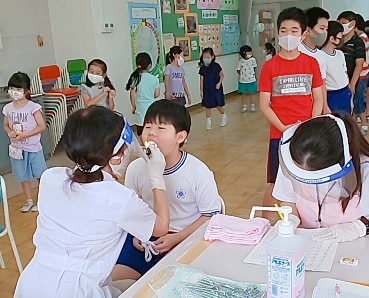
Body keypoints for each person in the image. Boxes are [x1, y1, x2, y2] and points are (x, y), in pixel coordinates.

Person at [14, 106, 170, 297]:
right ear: (116, 155)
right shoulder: (120, 199)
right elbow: (161, 227)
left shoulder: (50, 178)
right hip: (78, 290)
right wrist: (156, 178)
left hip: (34, 283)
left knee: (128, 283)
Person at [112, 100, 222, 281]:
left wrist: (177, 237)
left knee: (164, 287)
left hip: (184, 240)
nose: (151, 133)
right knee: (115, 286)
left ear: (180, 137)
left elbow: (211, 215)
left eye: (161, 128)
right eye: (147, 126)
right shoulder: (135, 168)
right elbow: (132, 211)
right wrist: (137, 234)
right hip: (144, 240)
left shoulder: (197, 171)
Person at [272, 112, 369, 243]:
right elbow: (288, 199)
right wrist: (290, 218)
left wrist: (359, 227)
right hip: (306, 245)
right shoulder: (296, 161)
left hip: (356, 249)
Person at [259, 7, 324, 219]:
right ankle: (263, 225)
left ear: (303, 33)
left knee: (307, 181)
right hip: (279, 136)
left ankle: (305, 222)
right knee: (274, 183)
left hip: (307, 135)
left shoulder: (311, 63)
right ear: (278, 33)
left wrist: (309, 126)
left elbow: (318, 99)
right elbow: (264, 105)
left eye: (294, 30)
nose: (289, 35)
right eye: (284, 30)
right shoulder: (269, 67)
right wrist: (284, 128)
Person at [2, 72, 47, 212]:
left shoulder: (33, 107)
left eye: (18, 89)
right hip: (17, 148)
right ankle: (28, 200)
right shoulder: (8, 108)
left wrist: (26, 135)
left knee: (40, 174)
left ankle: (42, 200)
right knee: (23, 175)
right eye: (12, 89)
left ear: (26, 90)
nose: (14, 92)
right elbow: (5, 124)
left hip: (33, 148)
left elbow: (42, 126)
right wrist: (9, 132)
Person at [338, 11, 368, 135]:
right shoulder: (337, 40)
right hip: (341, 78)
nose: (342, 27)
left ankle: (362, 124)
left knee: (357, 100)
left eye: (344, 23)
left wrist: (352, 83)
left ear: (352, 24)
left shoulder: (358, 41)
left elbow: (359, 65)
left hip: (358, 77)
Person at [301, 7, 330, 113]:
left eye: (326, 29)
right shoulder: (296, 51)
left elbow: (322, 83)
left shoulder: (321, 55)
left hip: (316, 108)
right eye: (322, 28)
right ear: (308, 30)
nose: (325, 33)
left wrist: (325, 107)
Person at [126, 52, 160, 139]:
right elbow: (156, 94)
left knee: (141, 129)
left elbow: (132, 95)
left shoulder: (136, 78)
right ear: (149, 65)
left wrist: (133, 107)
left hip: (140, 108)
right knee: (151, 127)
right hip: (151, 107)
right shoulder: (154, 79)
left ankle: (144, 146)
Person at [321, 21, 352, 114]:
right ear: (331, 38)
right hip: (331, 94)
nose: (341, 39)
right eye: (339, 37)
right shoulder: (320, 56)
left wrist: (350, 92)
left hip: (344, 91)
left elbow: (345, 74)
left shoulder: (340, 54)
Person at [198, 47, 228, 130]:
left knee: (218, 104)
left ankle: (224, 115)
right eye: (204, 57)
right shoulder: (202, 68)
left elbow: (222, 75)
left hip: (216, 88)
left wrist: (219, 83)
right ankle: (208, 121)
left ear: (212, 57)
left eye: (208, 57)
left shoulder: (216, 66)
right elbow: (201, 80)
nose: (206, 59)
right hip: (207, 89)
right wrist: (201, 90)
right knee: (207, 106)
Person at [237, 45, 258, 113]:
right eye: (248, 52)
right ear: (243, 53)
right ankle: (244, 106)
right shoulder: (240, 61)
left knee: (252, 93)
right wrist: (243, 75)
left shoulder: (253, 60)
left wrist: (251, 75)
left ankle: (252, 105)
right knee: (243, 94)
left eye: (250, 52)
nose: (250, 54)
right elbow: (238, 70)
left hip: (251, 80)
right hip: (243, 81)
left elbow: (254, 67)